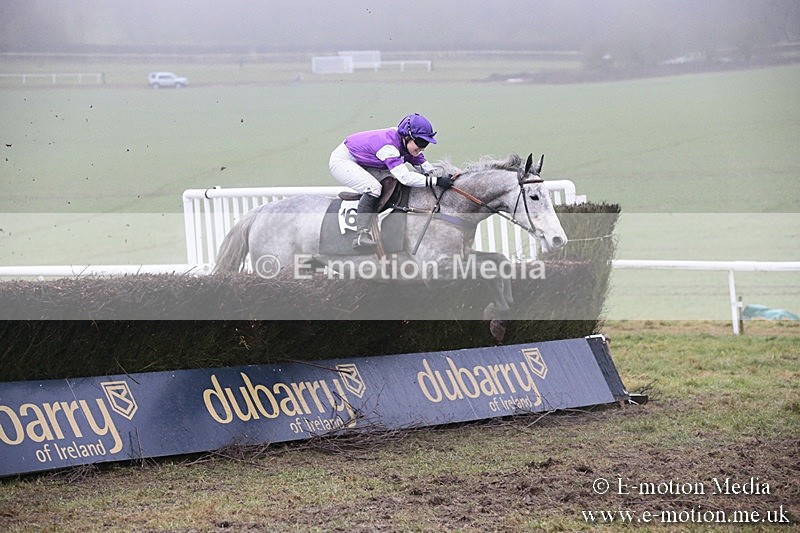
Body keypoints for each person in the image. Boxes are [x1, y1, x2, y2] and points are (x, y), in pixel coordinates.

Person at [329, 113, 455, 251]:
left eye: (426, 144)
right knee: (373, 188)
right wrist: (436, 181)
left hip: (365, 160)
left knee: (391, 182)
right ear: (407, 137)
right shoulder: (389, 148)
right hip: (343, 160)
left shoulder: (403, 142)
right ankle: (361, 235)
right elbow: (405, 178)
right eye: (420, 143)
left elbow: (424, 166)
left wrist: (442, 176)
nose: (422, 147)